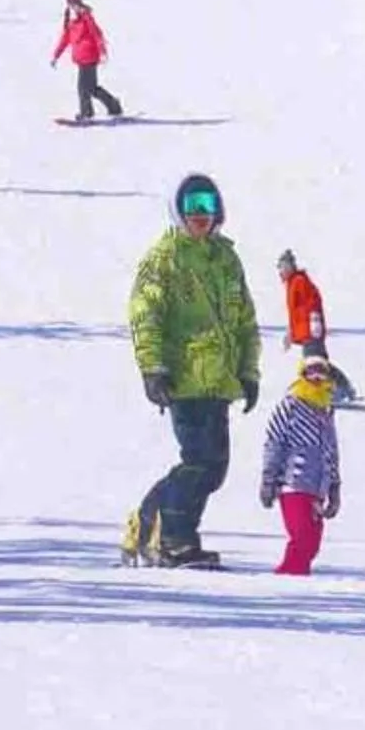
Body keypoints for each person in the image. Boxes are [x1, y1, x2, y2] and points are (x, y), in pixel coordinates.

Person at [121, 172, 260, 569]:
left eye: (208, 207)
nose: (201, 216)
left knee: (213, 468)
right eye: (193, 208)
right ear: (177, 212)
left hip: (218, 380)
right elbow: (144, 314)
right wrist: (153, 369)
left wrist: (248, 373)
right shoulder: (165, 259)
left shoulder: (226, 259)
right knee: (198, 461)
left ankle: (149, 524)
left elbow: (245, 321)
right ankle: (174, 539)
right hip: (183, 376)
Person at [258, 353, 343, 576]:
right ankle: (287, 576)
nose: (316, 377)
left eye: (321, 372)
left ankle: (298, 576)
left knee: (313, 541)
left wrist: (334, 488)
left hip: (318, 488)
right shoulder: (291, 406)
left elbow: (331, 452)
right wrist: (269, 480)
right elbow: (274, 443)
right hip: (294, 483)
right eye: (310, 371)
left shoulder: (325, 411)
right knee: (302, 536)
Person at [275, 249, 356, 403]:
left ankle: (339, 388)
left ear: (291, 267)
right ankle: (336, 387)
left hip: (311, 330)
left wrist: (315, 320)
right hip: (305, 331)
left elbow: (313, 300)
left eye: (284, 267)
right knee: (314, 361)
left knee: (315, 361)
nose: (282, 271)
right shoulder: (292, 283)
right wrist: (291, 332)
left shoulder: (300, 281)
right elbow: (296, 313)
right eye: (280, 268)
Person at [51, 0, 124, 121]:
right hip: (81, 59)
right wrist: (56, 55)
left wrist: (102, 51)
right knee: (91, 88)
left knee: (83, 88)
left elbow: (97, 34)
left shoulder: (86, 18)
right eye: (72, 4)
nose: (74, 7)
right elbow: (65, 40)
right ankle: (113, 105)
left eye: (76, 4)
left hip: (90, 57)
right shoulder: (70, 22)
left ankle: (87, 113)